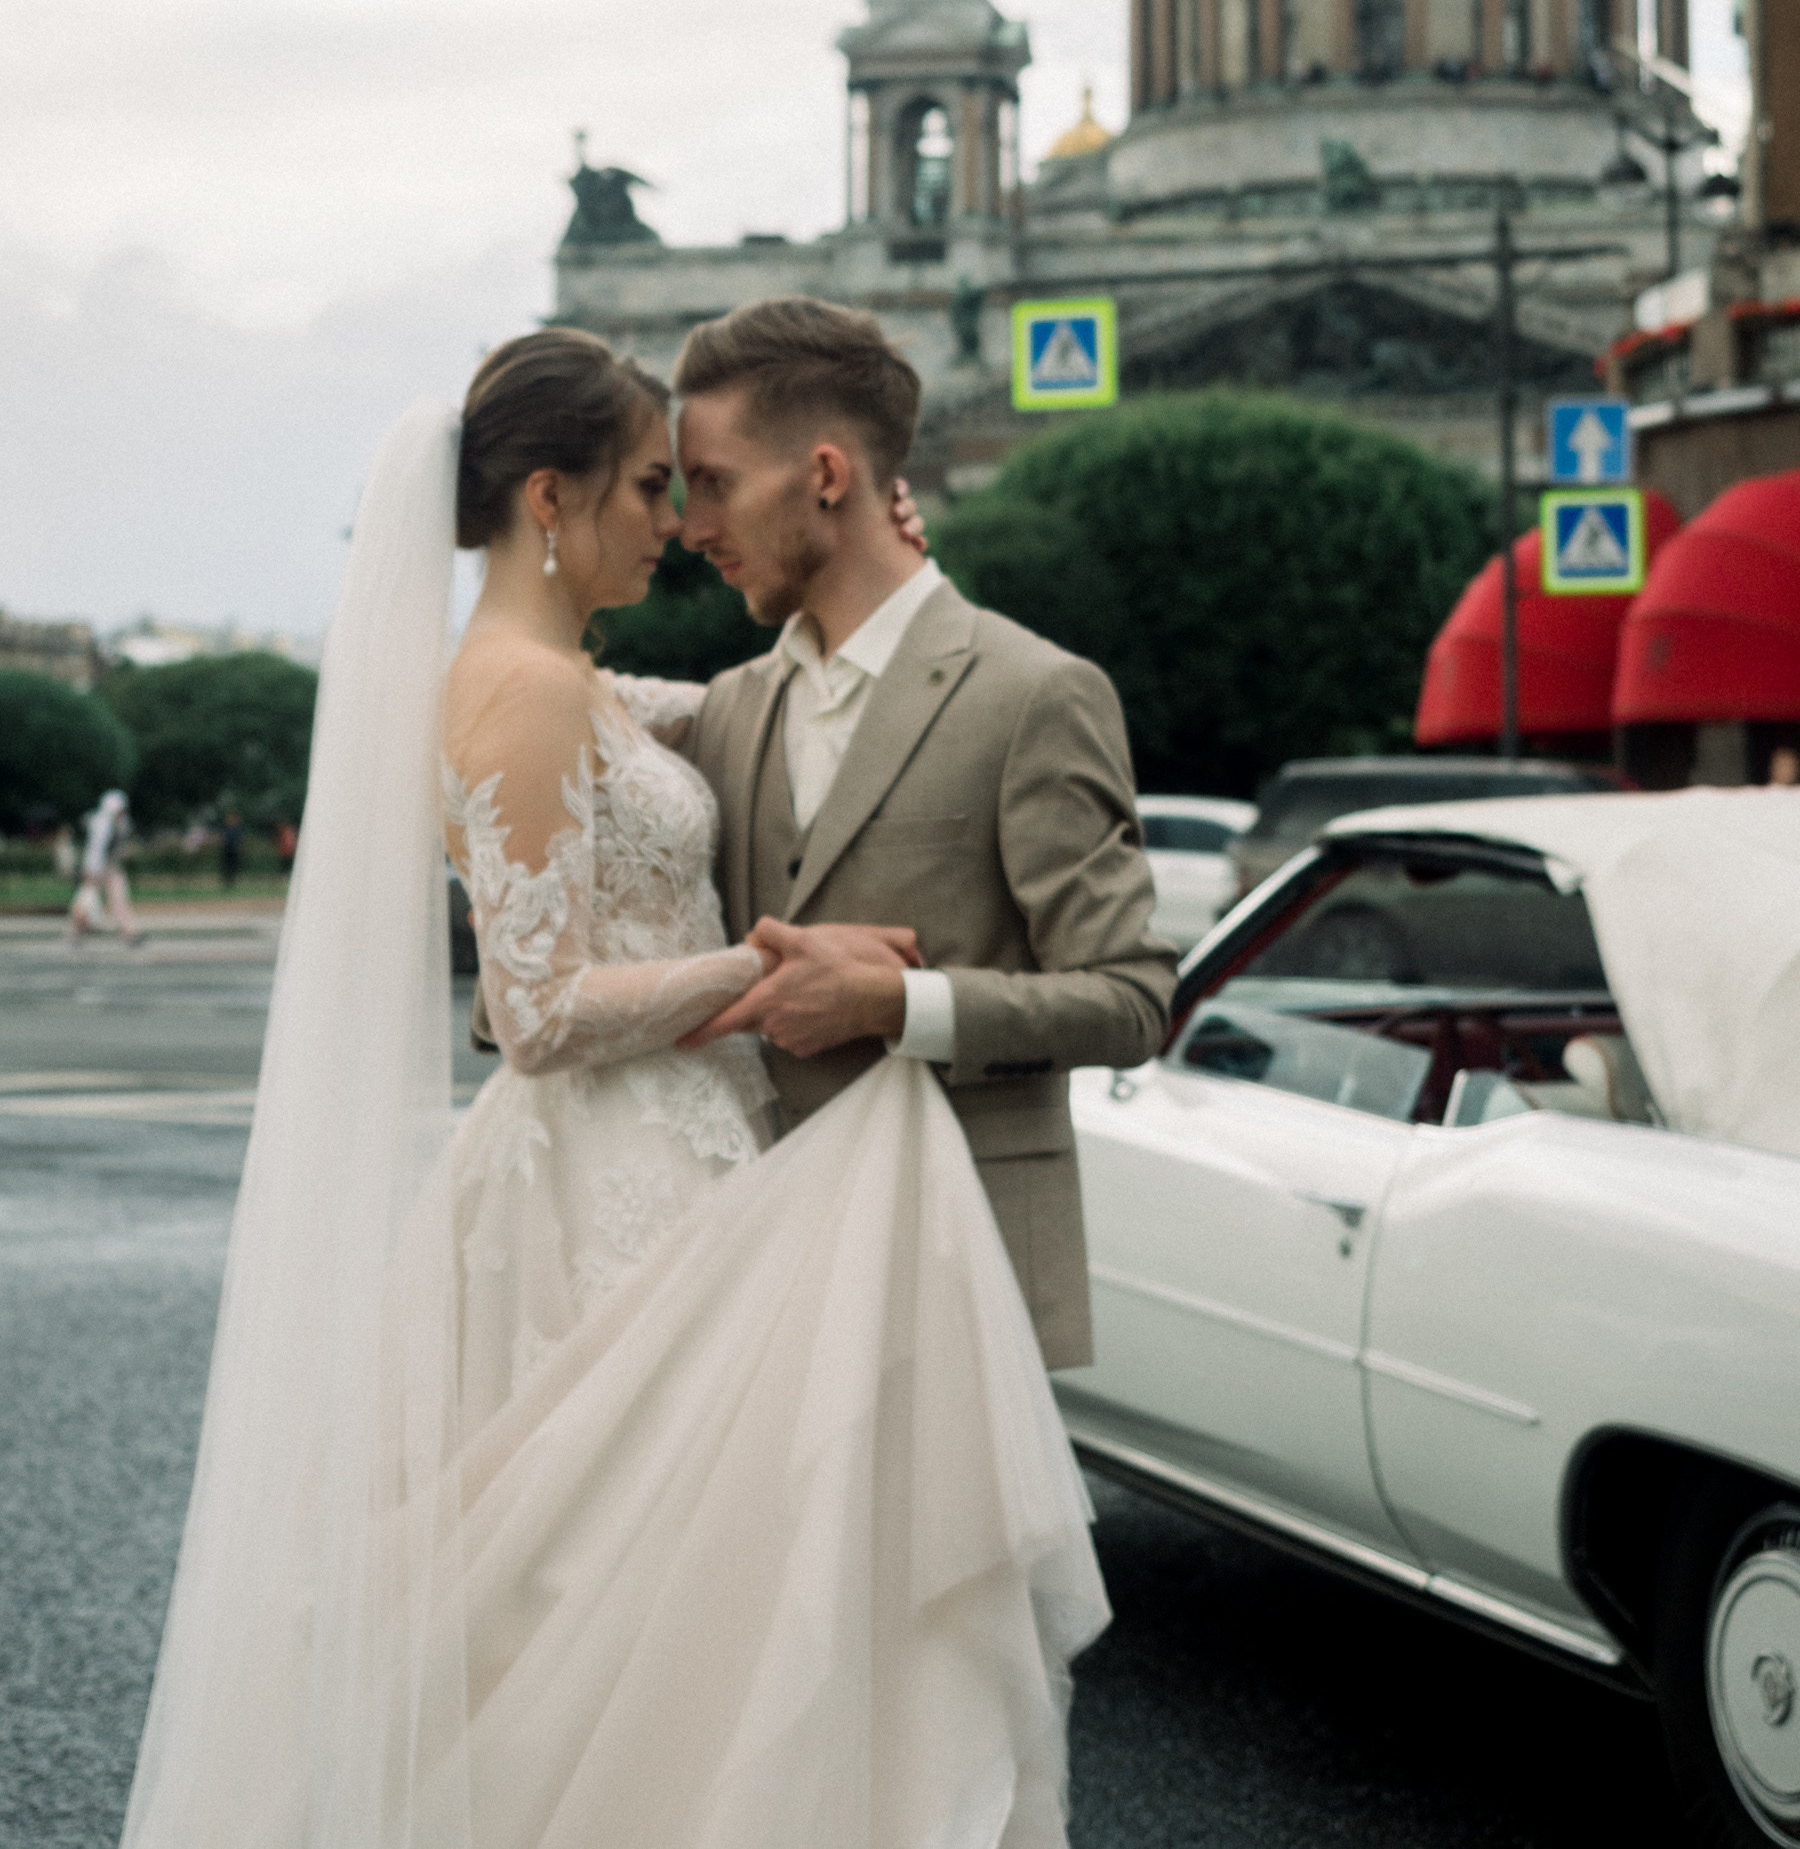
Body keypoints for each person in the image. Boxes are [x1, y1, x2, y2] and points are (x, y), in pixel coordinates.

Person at [123, 330, 1111, 1849]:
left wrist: (894, 560)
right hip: (606, 1186)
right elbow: (530, 1014)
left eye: (695, 485)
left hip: (690, 1157)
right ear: (548, 498)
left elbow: (754, 699)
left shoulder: (566, 682)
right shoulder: (516, 691)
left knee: (684, 1592)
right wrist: (771, 971)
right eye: (654, 487)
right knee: (641, 1594)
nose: (678, 522)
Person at [666, 295, 1177, 1368]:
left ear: (823, 474)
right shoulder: (728, 707)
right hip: (757, 1280)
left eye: (712, 483)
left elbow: (1132, 1002)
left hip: (961, 1281)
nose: (691, 527)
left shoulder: (1034, 691)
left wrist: (896, 1002)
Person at [68, 788, 139, 945]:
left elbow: (115, 847)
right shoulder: (102, 823)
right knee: (86, 901)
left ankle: (130, 932)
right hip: (97, 868)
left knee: (119, 900)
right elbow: (96, 849)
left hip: (111, 867)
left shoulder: (120, 823)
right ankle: (76, 933)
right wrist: (91, 871)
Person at [218, 810, 244, 889]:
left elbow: (239, 840)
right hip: (227, 850)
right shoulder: (227, 829)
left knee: (233, 866)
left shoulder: (236, 830)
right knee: (226, 866)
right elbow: (223, 840)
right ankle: (226, 881)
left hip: (233, 850)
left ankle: (231, 881)